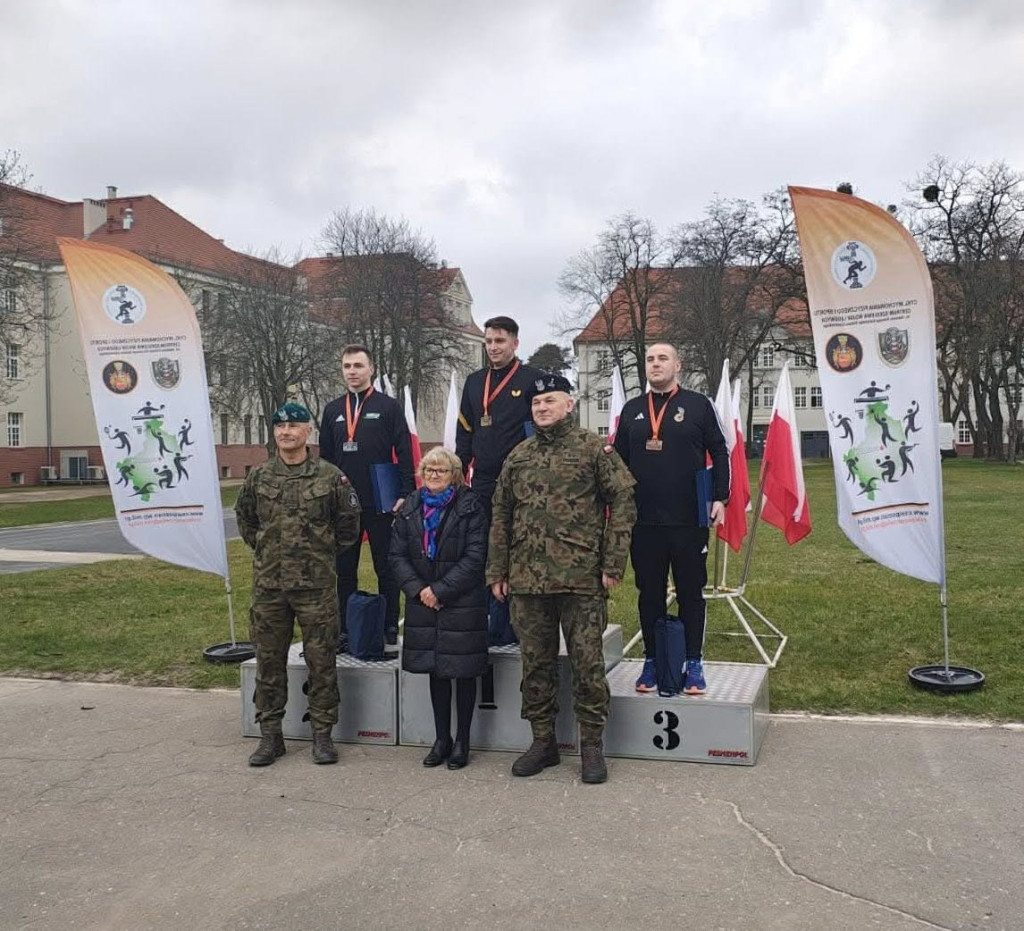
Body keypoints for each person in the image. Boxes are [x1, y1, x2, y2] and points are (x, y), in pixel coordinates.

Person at [487, 374, 636, 784]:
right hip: (527, 582)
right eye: (536, 403)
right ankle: (543, 742)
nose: (541, 408)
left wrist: (613, 562)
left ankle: (591, 746)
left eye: (549, 401)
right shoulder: (519, 455)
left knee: (587, 666)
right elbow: (500, 513)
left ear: (569, 405)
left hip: (581, 579)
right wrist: (496, 569)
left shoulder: (593, 449)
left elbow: (622, 499)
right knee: (535, 666)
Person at [235, 402, 361, 767]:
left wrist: (318, 554)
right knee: (268, 662)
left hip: (316, 586)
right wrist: (266, 549)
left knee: (322, 663)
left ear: (308, 431)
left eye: (293, 425)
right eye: (279, 426)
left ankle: (323, 735)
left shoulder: (330, 476)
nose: (285, 432)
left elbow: (349, 525)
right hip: (270, 587)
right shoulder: (259, 477)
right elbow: (245, 518)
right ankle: (270, 737)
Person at [613, 343, 729, 696]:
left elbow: (720, 451)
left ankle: (694, 662)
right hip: (644, 521)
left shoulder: (698, 405)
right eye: (650, 359)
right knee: (648, 593)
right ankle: (652, 660)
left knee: (691, 593)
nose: (656, 364)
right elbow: (617, 462)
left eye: (663, 358)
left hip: (688, 518)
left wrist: (720, 497)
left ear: (678, 365)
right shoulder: (632, 409)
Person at [389, 447, 488, 770]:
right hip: (423, 603)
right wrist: (420, 590)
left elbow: (475, 556)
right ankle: (441, 738)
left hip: (461, 601)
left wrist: (441, 590)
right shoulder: (410, 506)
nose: (433, 475)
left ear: (454, 475)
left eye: (441, 470)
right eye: (428, 469)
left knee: (462, 672)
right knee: (436, 671)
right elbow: (397, 556)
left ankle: (462, 741)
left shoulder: (470, 505)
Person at [319, 345, 415, 650]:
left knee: (385, 566)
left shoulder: (388, 407)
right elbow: (325, 459)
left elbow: (403, 451)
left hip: (381, 500)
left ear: (370, 368)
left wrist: (405, 492)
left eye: (358, 365)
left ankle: (388, 626)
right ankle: (347, 628)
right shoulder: (333, 410)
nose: (352, 372)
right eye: (347, 366)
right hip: (344, 506)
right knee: (344, 569)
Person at [455, 316, 543, 516]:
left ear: (515, 343)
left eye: (500, 341)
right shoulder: (474, 381)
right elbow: (465, 431)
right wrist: (458, 474)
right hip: (482, 481)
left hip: (521, 479)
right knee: (481, 541)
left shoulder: (534, 379)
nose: (493, 347)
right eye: (489, 341)